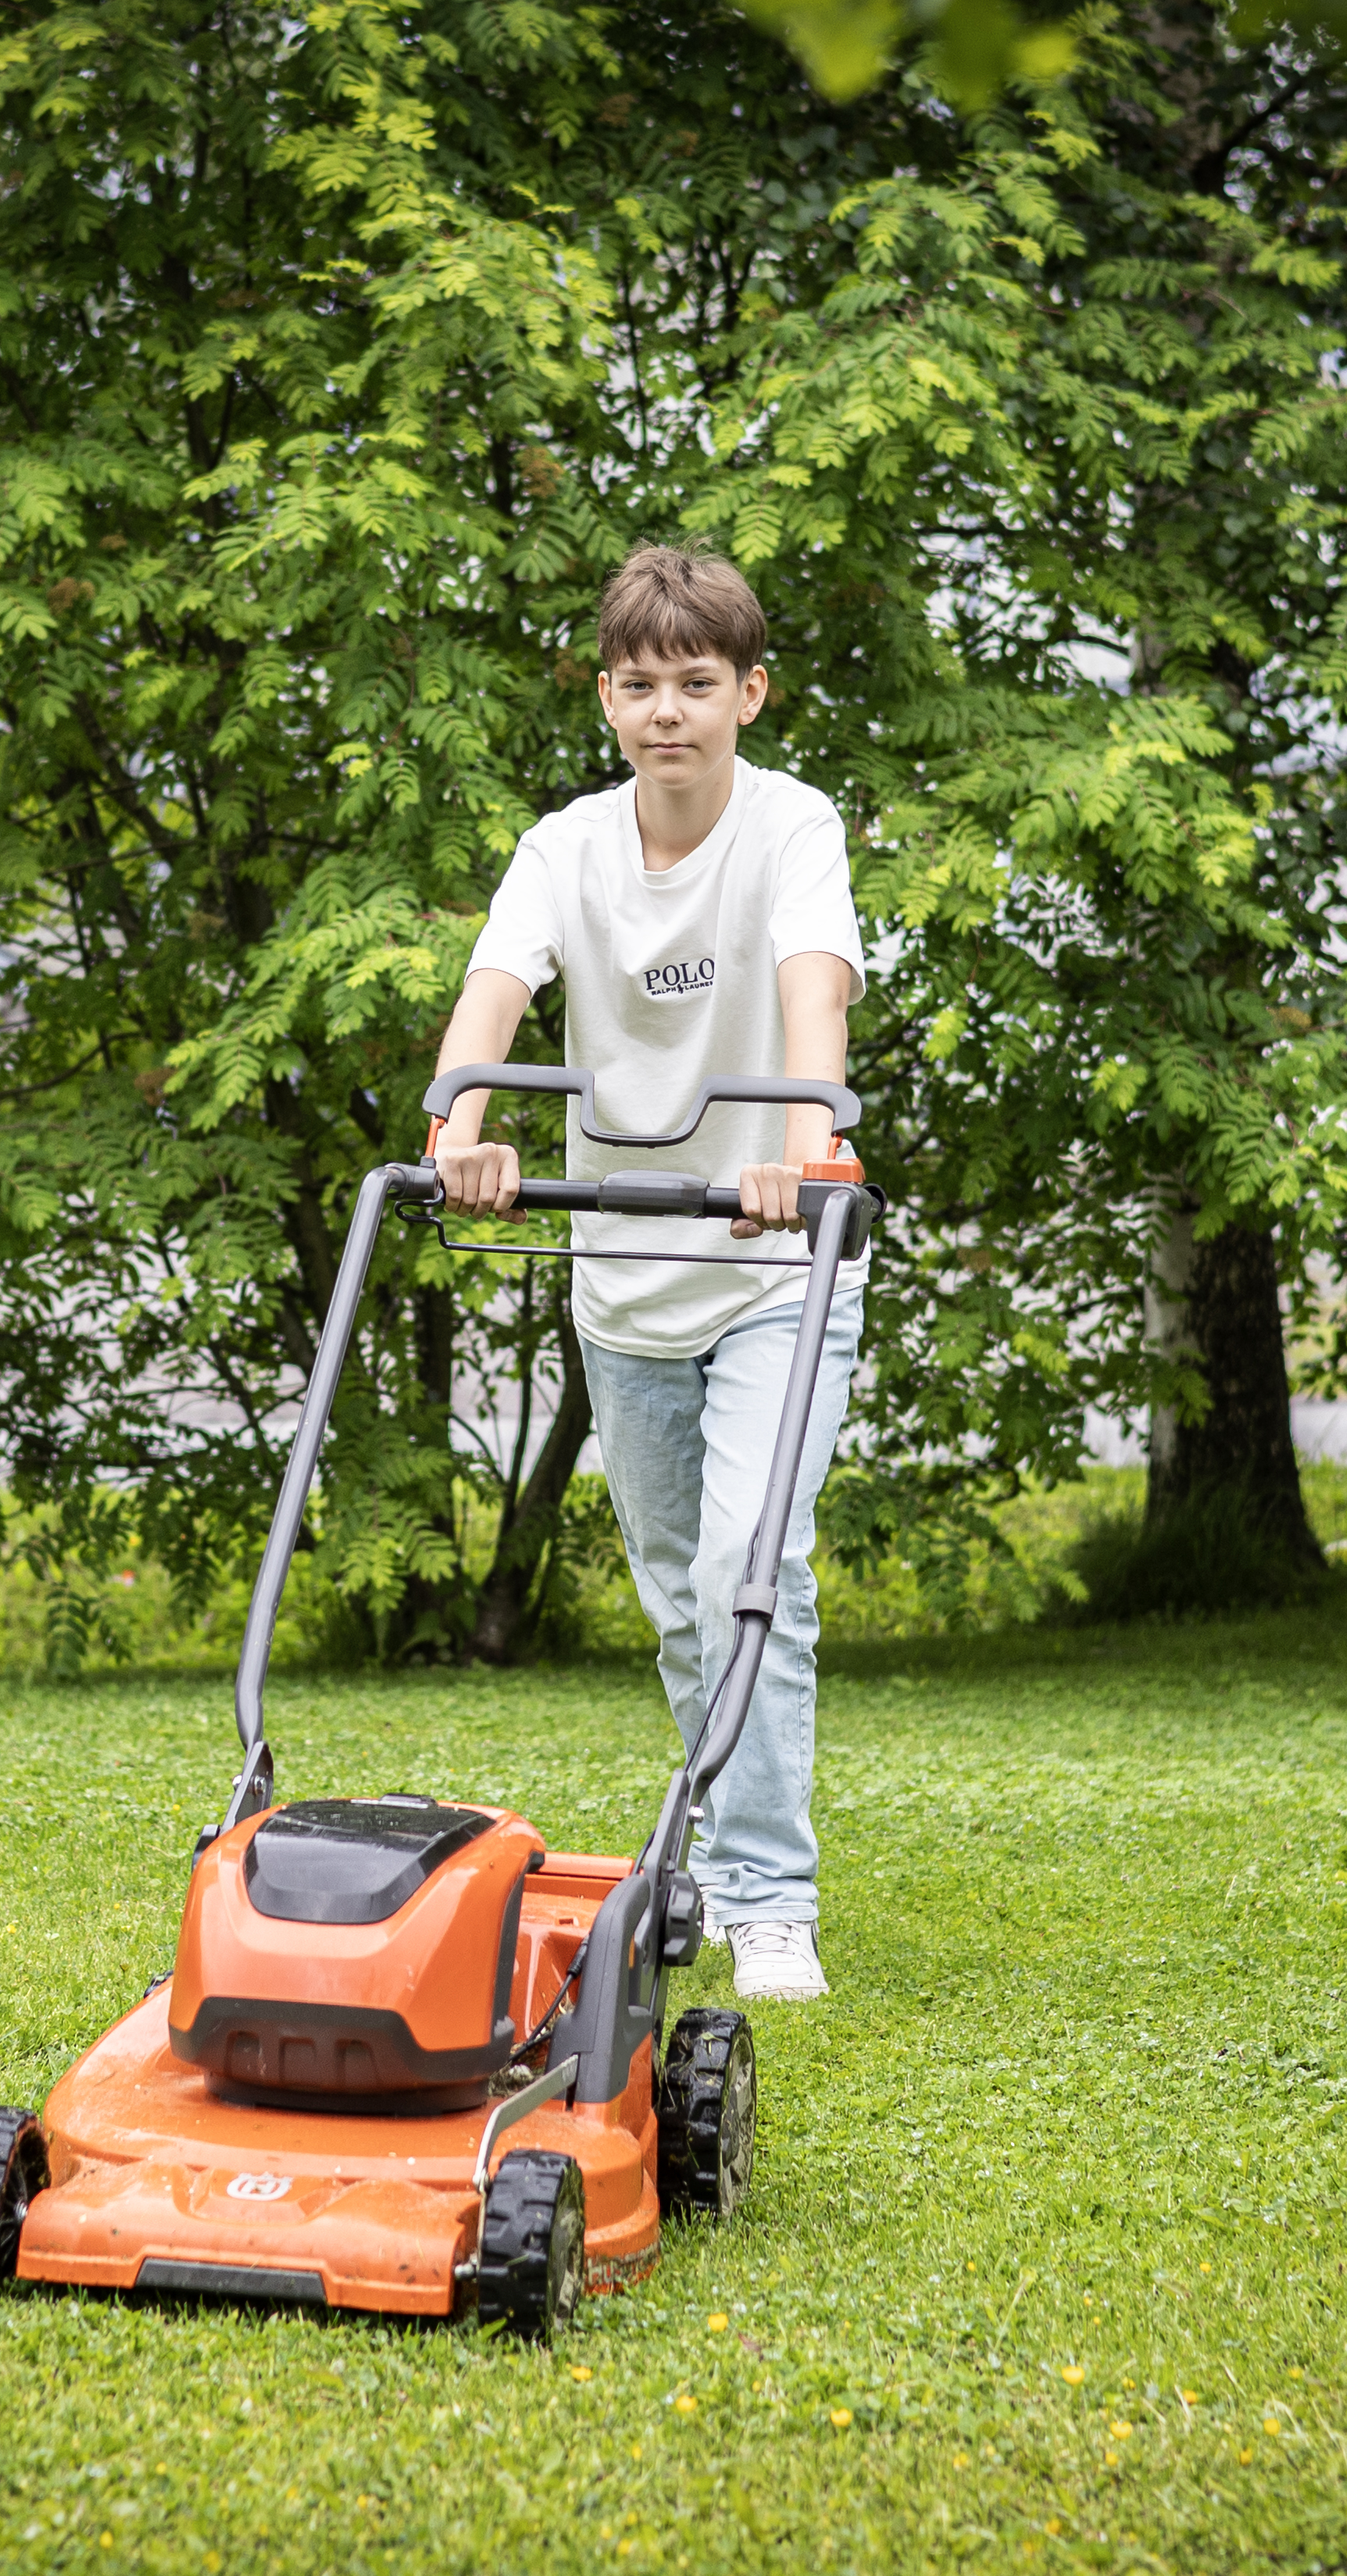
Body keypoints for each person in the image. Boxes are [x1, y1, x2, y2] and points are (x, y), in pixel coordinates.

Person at [428, 542, 866, 2003]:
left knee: (758, 1573)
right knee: (683, 1595)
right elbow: (496, 991)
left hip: (772, 1269)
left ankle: (770, 1895)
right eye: (636, 684)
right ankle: (723, 1853)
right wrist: (464, 1128)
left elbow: (815, 990)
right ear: (605, 698)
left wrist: (804, 1148)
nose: (664, 710)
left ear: (751, 691)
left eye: (695, 683)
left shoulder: (796, 829)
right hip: (625, 1278)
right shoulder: (565, 847)